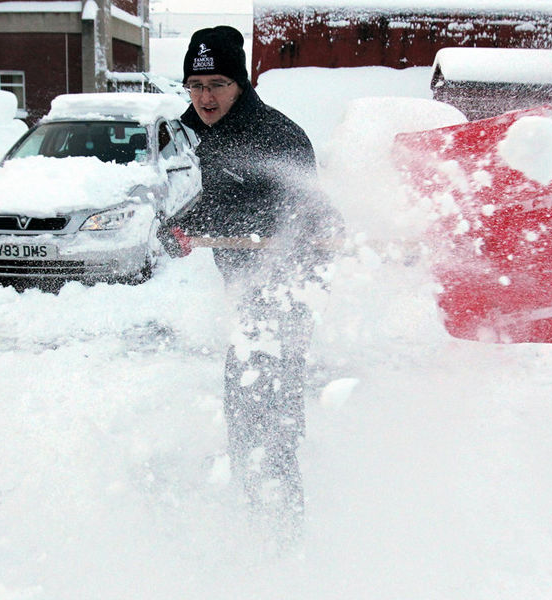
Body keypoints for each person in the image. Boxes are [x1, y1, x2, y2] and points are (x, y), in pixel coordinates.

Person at [169, 25, 341, 542]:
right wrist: (172, 228)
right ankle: (260, 510)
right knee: (249, 407)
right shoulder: (188, 134)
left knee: (263, 406)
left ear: (240, 83)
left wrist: (208, 226)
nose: (205, 97)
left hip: (287, 287)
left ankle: (280, 532)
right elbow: (179, 193)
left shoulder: (276, 136)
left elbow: (301, 216)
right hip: (243, 289)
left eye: (217, 84)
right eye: (195, 86)